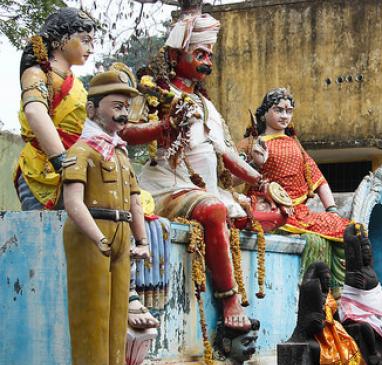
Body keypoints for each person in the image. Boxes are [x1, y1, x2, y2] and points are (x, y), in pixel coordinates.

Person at [119, 8, 262, 332]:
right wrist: (164, 126)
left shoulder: (206, 105)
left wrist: (262, 182)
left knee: (262, 216)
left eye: (209, 54)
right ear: (176, 54)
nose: (207, 60)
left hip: (203, 187)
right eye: (199, 53)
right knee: (213, 210)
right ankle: (229, 301)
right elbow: (126, 132)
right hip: (167, 186)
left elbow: (226, 155)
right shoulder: (154, 91)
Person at [61, 70, 149, 365]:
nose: (123, 112)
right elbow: (72, 202)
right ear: (93, 110)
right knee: (92, 303)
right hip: (91, 229)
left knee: (117, 307)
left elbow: (136, 200)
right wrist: (96, 236)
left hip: (121, 228)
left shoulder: (121, 154)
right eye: (116, 105)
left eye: (126, 106)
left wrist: (142, 240)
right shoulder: (82, 151)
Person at [246, 88, 350, 287]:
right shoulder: (252, 143)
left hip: (301, 213)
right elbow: (232, 178)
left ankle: (337, 293)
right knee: (315, 242)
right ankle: (307, 294)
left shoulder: (295, 146)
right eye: (278, 110)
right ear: (264, 112)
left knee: (348, 232)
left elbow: (319, 179)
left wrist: (332, 210)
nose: (285, 116)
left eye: (289, 111)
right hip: (272, 212)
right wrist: (255, 163)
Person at [14, 8, 96, 210]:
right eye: (85, 40)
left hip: (77, 166)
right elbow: (35, 112)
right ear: (61, 40)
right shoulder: (37, 74)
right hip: (45, 170)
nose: (91, 48)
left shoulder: (76, 84)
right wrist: (61, 160)